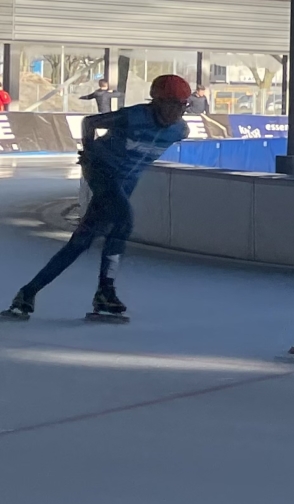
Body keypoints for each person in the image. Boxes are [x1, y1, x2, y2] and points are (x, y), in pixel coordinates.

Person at [6, 74, 193, 321]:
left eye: (182, 105)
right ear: (156, 101)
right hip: (102, 170)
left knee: (82, 241)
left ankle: (28, 293)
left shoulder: (180, 131)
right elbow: (90, 122)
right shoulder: (133, 116)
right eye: (172, 104)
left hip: (126, 180)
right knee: (124, 220)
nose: (177, 112)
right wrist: (88, 151)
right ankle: (106, 291)